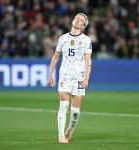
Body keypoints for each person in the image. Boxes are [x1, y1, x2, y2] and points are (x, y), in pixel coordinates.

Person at [47, 13, 92, 144]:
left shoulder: (86, 40)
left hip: (79, 75)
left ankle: (70, 129)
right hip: (65, 74)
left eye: (81, 20)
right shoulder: (63, 38)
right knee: (64, 104)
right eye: (77, 18)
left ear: (83, 26)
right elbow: (55, 56)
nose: (78, 20)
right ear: (73, 20)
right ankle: (61, 136)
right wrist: (50, 74)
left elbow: (88, 60)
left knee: (75, 112)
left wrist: (86, 78)